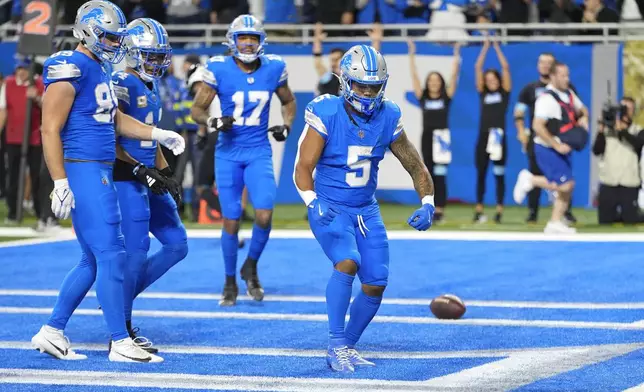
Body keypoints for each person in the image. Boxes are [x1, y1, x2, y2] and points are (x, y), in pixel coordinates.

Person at [30, 1, 185, 363]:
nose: (115, 43)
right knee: (113, 254)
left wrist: (157, 133)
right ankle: (120, 340)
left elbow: (113, 120)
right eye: (109, 36)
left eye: (118, 37)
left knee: (92, 259)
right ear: (86, 30)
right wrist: (59, 181)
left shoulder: (98, 68)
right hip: (83, 167)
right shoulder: (69, 65)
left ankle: (52, 330)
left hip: (97, 167)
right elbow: (49, 128)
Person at [294, 45, 435, 373]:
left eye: (374, 86)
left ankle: (348, 345)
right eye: (361, 85)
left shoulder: (389, 115)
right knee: (348, 261)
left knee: (376, 281)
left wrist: (428, 202)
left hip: (365, 209)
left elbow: (415, 165)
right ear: (345, 82)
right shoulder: (326, 112)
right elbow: (302, 167)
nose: (368, 93)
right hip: (330, 205)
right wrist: (311, 201)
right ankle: (335, 344)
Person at [190, 15, 296, 306]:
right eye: (242, 37)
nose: (248, 43)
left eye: (253, 37)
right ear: (232, 40)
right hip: (228, 153)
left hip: (258, 150)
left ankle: (250, 265)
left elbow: (288, 101)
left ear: (261, 41)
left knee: (264, 213)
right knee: (231, 220)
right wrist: (213, 121)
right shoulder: (218, 68)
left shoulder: (274, 67)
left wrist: (286, 126)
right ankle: (228, 281)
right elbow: (196, 110)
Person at [111, 17, 188, 354]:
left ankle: (118, 299)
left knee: (177, 244)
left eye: (160, 56)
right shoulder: (120, 82)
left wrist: (166, 172)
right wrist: (140, 170)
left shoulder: (150, 86)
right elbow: (107, 137)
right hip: (125, 177)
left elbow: (149, 136)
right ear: (131, 52)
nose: (157, 62)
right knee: (135, 252)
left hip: (147, 175)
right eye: (150, 56)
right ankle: (121, 324)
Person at [513, 61, 589, 234]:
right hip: (546, 148)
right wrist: (556, 145)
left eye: (568, 75)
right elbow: (537, 126)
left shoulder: (569, 94)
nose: (566, 79)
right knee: (566, 185)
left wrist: (584, 118)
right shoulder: (546, 99)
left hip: (562, 148)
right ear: (553, 76)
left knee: (567, 186)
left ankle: (554, 222)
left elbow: (583, 109)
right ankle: (530, 179)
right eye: (563, 75)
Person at [408, 39, 460, 223]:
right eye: (431, 80)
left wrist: (456, 55)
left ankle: (440, 209)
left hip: (442, 138)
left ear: (441, 83)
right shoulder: (423, 97)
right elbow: (414, 76)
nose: (434, 83)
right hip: (427, 137)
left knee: (440, 173)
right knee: (427, 172)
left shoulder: (446, 97)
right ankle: (429, 206)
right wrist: (412, 54)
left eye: (437, 80)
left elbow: (454, 76)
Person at [0, 57, 44, 224]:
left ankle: (40, 213)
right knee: (13, 175)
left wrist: (36, 98)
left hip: (33, 138)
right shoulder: (9, 84)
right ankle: (13, 212)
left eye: (25, 69)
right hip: (13, 137)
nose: (22, 72)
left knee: (36, 176)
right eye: (19, 68)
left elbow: (46, 106)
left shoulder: (39, 84)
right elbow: (3, 111)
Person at [473, 39, 511, 224]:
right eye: (488, 80)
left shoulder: (504, 93)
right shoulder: (483, 93)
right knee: (481, 173)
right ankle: (479, 209)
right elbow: (477, 67)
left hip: (498, 137)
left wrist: (496, 47)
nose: (491, 82)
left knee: (499, 174)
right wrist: (485, 47)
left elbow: (506, 67)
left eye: (493, 79)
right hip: (484, 136)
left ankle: (499, 210)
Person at [593, 97, 644, 224]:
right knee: (604, 221)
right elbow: (596, 150)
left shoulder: (638, 130)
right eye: (622, 109)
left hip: (629, 183)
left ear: (633, 112)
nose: (624, 112)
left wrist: (622, 130)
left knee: (631, 220)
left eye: (628, 109)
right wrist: (601, 130)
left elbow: (638, 144)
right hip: (609, 181)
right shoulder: (607, 131)